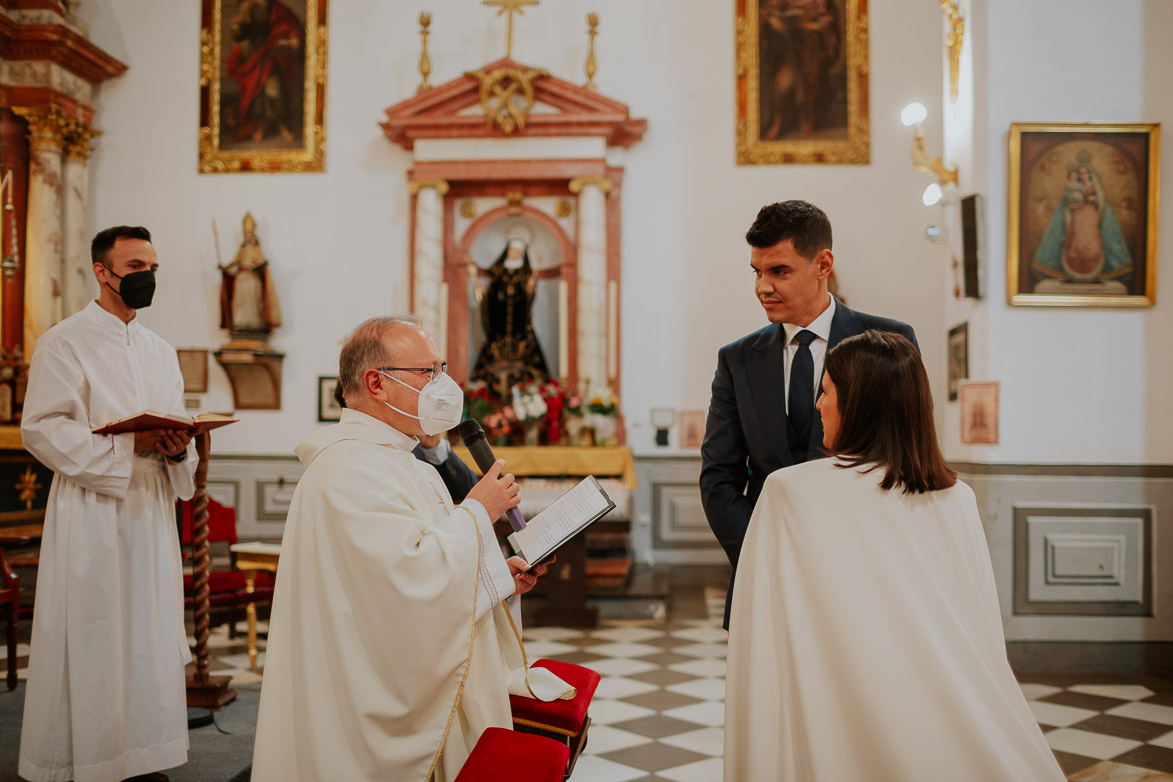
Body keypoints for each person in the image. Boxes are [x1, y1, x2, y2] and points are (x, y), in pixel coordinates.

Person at [724, 331, 1065, 782]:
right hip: (942, 713)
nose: (818, 406)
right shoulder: (956, 497)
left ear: (860, 404)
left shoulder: (791, 490)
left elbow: (764, 629)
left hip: (829, 704)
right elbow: (980, 631)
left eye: (826, 392)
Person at [252, 316, 569, 782]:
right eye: (428, 373)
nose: (444, 385)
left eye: (441, 369)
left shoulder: (397, 458)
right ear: (377, 383)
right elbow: (406, 584)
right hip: (365, 704)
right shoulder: (349, 469)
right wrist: (478, 509)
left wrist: (500, 577)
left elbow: (421, 564)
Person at [19, 226, 197, 782]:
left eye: (153, 266)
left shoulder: (160, 350)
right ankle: (89, 759)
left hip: (149, 505)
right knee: (96, 632)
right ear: (102, 270)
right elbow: (41, 428)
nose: (147, 276)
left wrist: (175, 448)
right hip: (92, 507)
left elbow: (172, 420)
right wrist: (126, 447)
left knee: (148, 631)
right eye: (135, 264)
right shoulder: (64, 342)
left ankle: (147, 755)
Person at [700, 200, 916, 630]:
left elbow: (903, 458)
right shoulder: (737, 359)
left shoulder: (888, 342)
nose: (763, 286)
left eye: (778, 271)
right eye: (757, 271)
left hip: (863, 575)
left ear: (823, 264)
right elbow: (719, 476)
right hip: (765, 574)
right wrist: (764, 554)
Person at [472, 238, 550, 398]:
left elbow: (528, 300)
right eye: (512, 250)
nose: (514, 254)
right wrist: (483, 291)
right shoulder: (498, 272)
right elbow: (490, 294)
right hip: (498, 324)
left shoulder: (525, 273)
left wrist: (530, 290)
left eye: (517, 251)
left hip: (519, 325)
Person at [225, 0, 303, 144]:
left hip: (270, 52)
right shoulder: (247, 6)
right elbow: (239, 34)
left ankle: (283, 124)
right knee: (256, 93)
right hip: (251, 54)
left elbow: (289, 23)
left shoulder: (277, 7)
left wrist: (293, 36)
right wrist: (238, 26)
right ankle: (260, 126)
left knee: (275, 90)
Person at [218, 212, 282, 339]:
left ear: (253, 233)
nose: (247, 235)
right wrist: (224, 269)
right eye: (245, 233)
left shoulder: (256, 248)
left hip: (253, 280)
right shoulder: (242, 249)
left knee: (253, 306)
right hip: (241, 280)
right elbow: (234, 263)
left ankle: (255, 327)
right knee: (240, 305)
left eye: (249, 233)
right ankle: (240, 327)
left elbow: (263, 262)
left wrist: (259, 266)